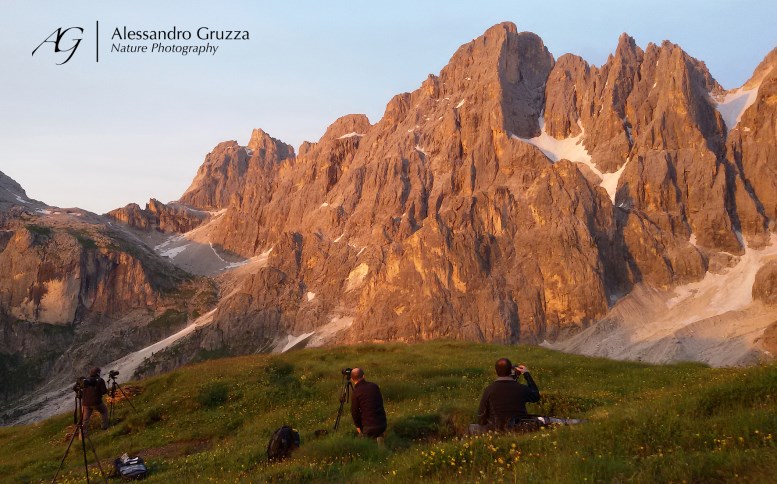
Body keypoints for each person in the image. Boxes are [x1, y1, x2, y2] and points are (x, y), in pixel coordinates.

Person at [477, 358, 540, 431]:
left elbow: (481, 417)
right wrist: (527, 374)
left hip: (496, 429)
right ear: (511, 371)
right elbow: (536, 396)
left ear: (496, 371)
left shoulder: (489, 390)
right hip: (519, 428)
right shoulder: (521, 388)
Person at [349, 367, 387, 440]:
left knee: (360, 440)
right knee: (376, 430)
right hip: (382, 424)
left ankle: (369, 440)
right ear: (363, 376)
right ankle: (379, 437)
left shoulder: (356, 393)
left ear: (352, 379)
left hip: (368, 427)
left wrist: (359, 428)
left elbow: (354, 413)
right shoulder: (374, 386)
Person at [81, 367, 109, 436]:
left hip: (85, 403)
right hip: (96, 402)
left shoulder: (85, 381)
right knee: (104, 411)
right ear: (98, 373)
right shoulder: (100, 380)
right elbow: (103, 391)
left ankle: (83, 434)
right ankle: (104, 427)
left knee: (85, 419)